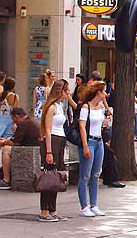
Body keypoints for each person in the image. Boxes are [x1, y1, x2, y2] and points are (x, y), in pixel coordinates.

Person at [38, 80, 73, 221]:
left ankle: (53, 209)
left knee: (56, 177)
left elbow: (75, 106)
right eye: (67, 91)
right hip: (52, 141)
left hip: (60, 140)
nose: (68, 93)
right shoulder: (51, 107)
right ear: (61, 91)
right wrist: (49, 151)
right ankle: (44, 211)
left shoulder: (59, 106)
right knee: (48, 177)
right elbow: (47, 129)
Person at [77, 80, 108, 218]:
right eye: (104, 91)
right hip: (89, 141)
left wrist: (105, 122)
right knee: (85, 175)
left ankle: (94, 205)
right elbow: (82, 127)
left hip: (99, 141)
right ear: (98, 92)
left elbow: (102, 121)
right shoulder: (85, 107)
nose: (106, 94)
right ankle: (84, 206)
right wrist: (85, 146)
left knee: (96, 175)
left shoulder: (101, 106)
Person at [0, 107, 41, 190]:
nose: (13, 121)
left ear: (17, 116)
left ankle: (6, 180)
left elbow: (13, 142)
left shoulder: (23, 124)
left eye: (13, 119)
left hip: (31, 150)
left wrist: (2, 143)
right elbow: (18, 139)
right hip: (35, 149)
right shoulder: (30, 120)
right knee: (8, 147)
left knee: (6, 149)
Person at [0, 77, 19, 169]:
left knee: (0, 139)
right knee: (8, 139)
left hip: (1, 118)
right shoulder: (14, 96)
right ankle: (6, 159)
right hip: (9, 119)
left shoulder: (0, 95)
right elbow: (15, 110)